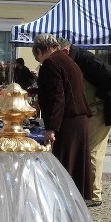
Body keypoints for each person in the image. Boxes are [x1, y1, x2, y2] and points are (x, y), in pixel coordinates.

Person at [61, 39, 111, 206]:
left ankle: (94, 195)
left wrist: (101, 96)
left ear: (66, 51)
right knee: (93, 151)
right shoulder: (78, 57)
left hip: (98, 110)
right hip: (94, 110)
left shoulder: (83, 58)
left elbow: (110, 75)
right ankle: (92, 191)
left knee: (93, 151)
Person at [32, 34, 92, 198]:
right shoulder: (68, 61)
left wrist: (51, 128)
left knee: (64, 167)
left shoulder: (51, 63)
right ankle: (74, 203)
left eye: (38, 58)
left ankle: (64, 204)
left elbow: (56, 97)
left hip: (68, 121)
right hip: (79, 118)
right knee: (76, 167)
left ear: (39, 51)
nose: (40, 63)